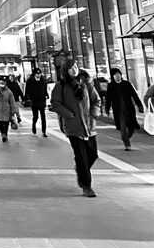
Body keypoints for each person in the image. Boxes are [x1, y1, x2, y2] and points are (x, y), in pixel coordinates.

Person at [50, 58, 100, 197]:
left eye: (75, 66)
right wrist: (69, 115)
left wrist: (94, 115)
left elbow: (96, 100)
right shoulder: (61, 86)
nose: (74, 69)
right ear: (66, 71)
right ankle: (86, 186)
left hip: (89, 126)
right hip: (73, 127)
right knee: (82, 157)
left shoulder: (86, 83)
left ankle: (80, 170)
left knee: (93, 154)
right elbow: (55, 103)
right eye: (71, 68)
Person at [105, 68, 143, 151]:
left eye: (119, 74)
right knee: (122, 128)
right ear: (113, 76)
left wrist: (139, 105)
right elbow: (108, 98)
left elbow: (134, 95)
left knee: (131, 127)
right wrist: (107, 109)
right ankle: (127, 144)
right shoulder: (111, 85)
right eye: (115, 75)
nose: (118, 76)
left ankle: (127, 137)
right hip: (119, 111)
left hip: (129, 109)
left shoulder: (127, 84)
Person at [0, 76, 17, 142]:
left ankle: (5, 134)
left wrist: (13, 111)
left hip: (6, 110)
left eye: (4, 82)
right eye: (1, 82)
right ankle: (3, 134)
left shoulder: (9, 91)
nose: (2, 83)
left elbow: (12, 101)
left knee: (6, 123)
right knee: (2, 123)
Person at [24, 68, 49, 137]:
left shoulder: (43, 80)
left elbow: (45, 89)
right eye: (37, 74)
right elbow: (27, 91)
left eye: (39, 73)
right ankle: (33, 125)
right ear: (34, 74)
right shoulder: (30, 81)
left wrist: (46, 95)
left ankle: (44, 132)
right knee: (36, 116)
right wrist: (27, 99)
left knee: (43, 117)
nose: (39, 75)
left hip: (42, 100)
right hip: (34, 101)